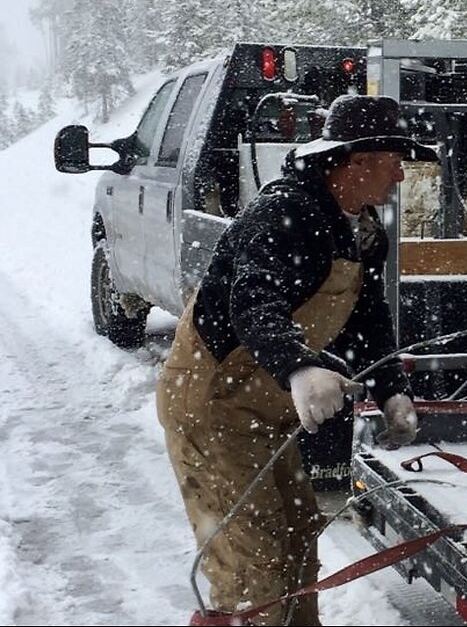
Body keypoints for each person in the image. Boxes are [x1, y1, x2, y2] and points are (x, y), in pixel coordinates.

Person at [156, 94, 425, 626]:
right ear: (356, 159)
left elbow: (369, 316)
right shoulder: (286, 212)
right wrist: (298, 367)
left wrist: (392, 388)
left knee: (297, 541)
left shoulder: (364, 228)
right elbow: (252, 300)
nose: (399, 175)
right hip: (211, 405)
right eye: (394, 159)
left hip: (265, 411)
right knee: (252, 565)